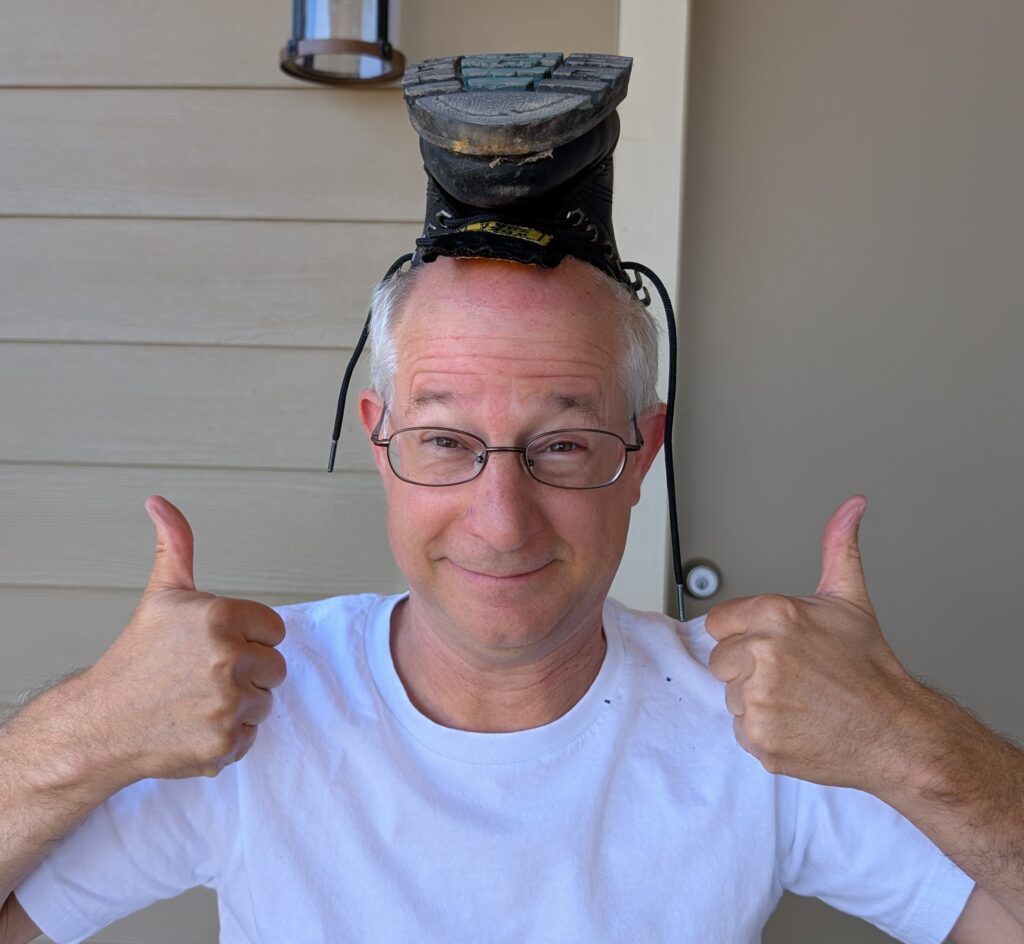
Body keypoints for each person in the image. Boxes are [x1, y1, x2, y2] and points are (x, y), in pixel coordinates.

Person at [2, 52, 1024, 944]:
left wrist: (907, 741)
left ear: (641, 453)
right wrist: (88, 730)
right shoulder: (244, 708)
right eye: (446, 440)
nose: (500, 518)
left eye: (564, 444)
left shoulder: (759, 722)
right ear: (379, 437)